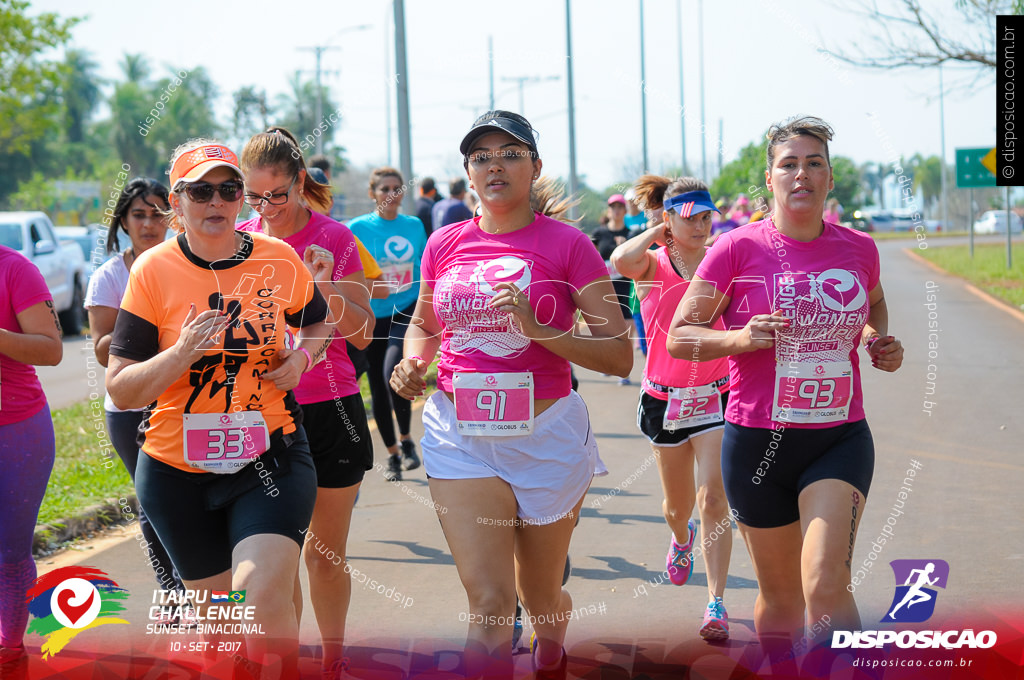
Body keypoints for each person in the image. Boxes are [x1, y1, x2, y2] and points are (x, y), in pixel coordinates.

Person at [389, 110, 632, 678]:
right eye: (481, 157)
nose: (494, 165)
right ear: (468, 173)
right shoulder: (444, 243)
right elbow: (425, 325)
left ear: (535, 167)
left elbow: (619, 354)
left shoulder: (570, 246)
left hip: (547, 437)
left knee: (542, 600)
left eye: (510, 154)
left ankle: (553, 649)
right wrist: (412, 364)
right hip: (460, 436)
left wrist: (541, 330)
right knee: (492, 607)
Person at [668, 116, 904, 666]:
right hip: (757, 442)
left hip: (838, 439)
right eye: (789, 164)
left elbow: (872, 302)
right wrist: (740, 338)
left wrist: (876, 339)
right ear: (769, 179)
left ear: (829, 177)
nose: (802, 174)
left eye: (814, 162)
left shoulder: (858, 247)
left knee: (825, 581)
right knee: (781, 598)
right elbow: (680, 337)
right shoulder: (734, 250)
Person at [106, 140, 333, 678]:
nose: (217, 201)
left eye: (229, 189)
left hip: (269, 459)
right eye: (201, 190)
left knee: (259, 592)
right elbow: (122, 389)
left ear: (242, 199)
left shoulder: (277, 259)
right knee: (221, 636)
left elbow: (320, 322)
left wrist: (302, 358)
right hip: (174, 471)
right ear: (177, 202)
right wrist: (181, 352)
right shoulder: (152, 271)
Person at [238, 128, 375, 678]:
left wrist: (327, 287)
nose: (266, 209)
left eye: (277, 194)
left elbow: (364, 335)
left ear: (299, 183)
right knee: (278, 561)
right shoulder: (241, 238)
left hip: (331, 406)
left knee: (323, 554)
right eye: (255, 196)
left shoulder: (335, 238)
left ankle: (334, 659)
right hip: (263, 411)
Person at [611, 174, 734, 641]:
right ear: (668, 220)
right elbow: (619, 259)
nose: (701, 226)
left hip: (717, 393)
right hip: (665, 400)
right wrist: (656, 232)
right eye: (690, 218)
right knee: (678, 506)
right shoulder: (651, 265)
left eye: (706, 216)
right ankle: (681, 538)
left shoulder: (723, 259)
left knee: (714, 497)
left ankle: (715, 602)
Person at [84, 177, 189, 608]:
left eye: (156, 214)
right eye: (138, 215)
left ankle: (208, 591)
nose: (148, 224)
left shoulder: (188, 262)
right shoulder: (109, 276)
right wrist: (141, 316)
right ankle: (173, 596)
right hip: (131, 409)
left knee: (198, 497)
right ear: (123, 222)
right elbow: (101, 350)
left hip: (187, 399)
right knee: (153, 502)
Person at [0, 245, 63, 671]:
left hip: (16, 429)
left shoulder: (15, 270)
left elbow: (51, 349)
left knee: (9, 551)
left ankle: (9, 649)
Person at [347, 167, 427, 482]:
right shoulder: (356, 228)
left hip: (405, 310)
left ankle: (407, 439)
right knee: (379, 386)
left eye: (396, 188)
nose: (391, 194)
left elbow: (426, 264)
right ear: (373, 194)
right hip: (372, 315)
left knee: (391, 370)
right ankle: (394, 453)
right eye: (384, 189)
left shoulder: (415, 225)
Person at [590, 194, 636, 384]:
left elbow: (635, 258)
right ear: (608, 210)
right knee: (605, 326)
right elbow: (589, 256)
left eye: (620, 207)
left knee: (627, 326)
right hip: (604, 286)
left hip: (625, 285)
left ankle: (624, 368)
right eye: (613, 207)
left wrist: (623, 247)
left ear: (625, 211)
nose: (616, 210)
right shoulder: (599, 233)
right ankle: (607, 362)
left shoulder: (630, 233)